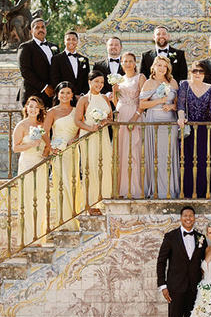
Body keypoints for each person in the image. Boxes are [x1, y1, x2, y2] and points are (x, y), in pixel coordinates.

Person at [156, 207, 206, 317]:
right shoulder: (170, 237)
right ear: (181, 218)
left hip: (194, 290)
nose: (188, 218)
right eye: (185, 215)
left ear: (194, 218)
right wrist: (163, 286)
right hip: (175, 290)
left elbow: (205, 261)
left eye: (191, 216)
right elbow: (161, 262)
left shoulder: (201, 238)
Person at [177, 63, 211, 198]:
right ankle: (188, 192)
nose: (197, 74)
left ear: (204, 74)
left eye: (200, 71)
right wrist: (181, 118)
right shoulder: (184, 85)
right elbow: (180, 104)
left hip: (205, 129)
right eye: (195, 71)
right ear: (190, 72)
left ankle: (204, 191)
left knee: (204, 159)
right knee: (188, 160)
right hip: (188, 129)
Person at [11, 96, 51, 242]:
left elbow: (47, 145)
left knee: (40, 199)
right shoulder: (21, 126)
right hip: (27, 164)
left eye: (36, 107)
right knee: (28, 200)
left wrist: (47, 151)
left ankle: (39, 237)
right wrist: (30, 145)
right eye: (31, 106)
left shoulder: (41, 126)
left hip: (40, 164)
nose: (33, 109)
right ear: (27, 108)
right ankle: (27, 239)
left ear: (40, 109)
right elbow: (15, 148)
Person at [140, 55, 179, 198]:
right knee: (156, 155)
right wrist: (159, 101)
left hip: (170, 122)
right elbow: (142, 104)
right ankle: (157, 190)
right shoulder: (149, 83)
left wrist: (172, 106)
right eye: (159, 65)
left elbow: (178, 103)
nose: (162, 68)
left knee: (169, 154)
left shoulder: (172, 82)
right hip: (154, 120)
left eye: (165, 66)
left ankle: (170, 189)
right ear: (154, 67)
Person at [74, 70, 114, 208]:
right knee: (90, 166)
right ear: (89, 82)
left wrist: (105, 122)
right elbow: (77, 121)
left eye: (102, 82)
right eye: (96, 81)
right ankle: (91, 203)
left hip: (103, 135)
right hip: (89, 136)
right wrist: (90, 128)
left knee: (106, 164)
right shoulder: (84, 100)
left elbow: (110, 117)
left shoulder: (104, 98)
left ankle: (105, 198)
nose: (100, 85)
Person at [44, 82, 80, 227]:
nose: (65, 95)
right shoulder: (52, 112)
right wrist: (51, 147)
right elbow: (45, 132)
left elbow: (79, 129)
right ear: (57, 95)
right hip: (58, 151)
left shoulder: (77, 110)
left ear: (72, 95)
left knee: (73, 182)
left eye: (68, 93)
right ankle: (63, 221)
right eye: (62, 92)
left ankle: (73, 218)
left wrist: (75, 139)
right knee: (61, 183)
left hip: (72, 150)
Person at [111, 52, 145, 198]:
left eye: (131, 61)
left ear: (135, 62)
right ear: (122, 63)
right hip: (120, 116)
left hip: (134, 115)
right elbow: (115, 102)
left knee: (133, 151)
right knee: (121, 152)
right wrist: (114, 92)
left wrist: (135, 117)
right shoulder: (120, 79)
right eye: (125, 61)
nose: (128, 64)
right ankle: (121, 189)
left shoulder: (140, 77)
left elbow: (143, 101)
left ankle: (135, 189)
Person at [17, 19, 59, 105]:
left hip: (52, 97)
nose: (41, 29)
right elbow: (25, 71)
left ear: (45, 30)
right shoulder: (25, 47)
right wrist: (45, 87)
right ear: (32, 31)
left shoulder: (54, 47)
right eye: (37, 27)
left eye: (43, 27)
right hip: (32, 95)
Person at [50, 31, 90, 101]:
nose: (71, 42)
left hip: (80, 98)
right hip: (64, 98)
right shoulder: (56, 59)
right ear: (64, 41)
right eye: (68, 39)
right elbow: (55, 79)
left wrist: (82, 95)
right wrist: (66, 94)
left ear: (77, 41)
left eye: (74, 39)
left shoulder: (84, 60)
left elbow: (86, 80)